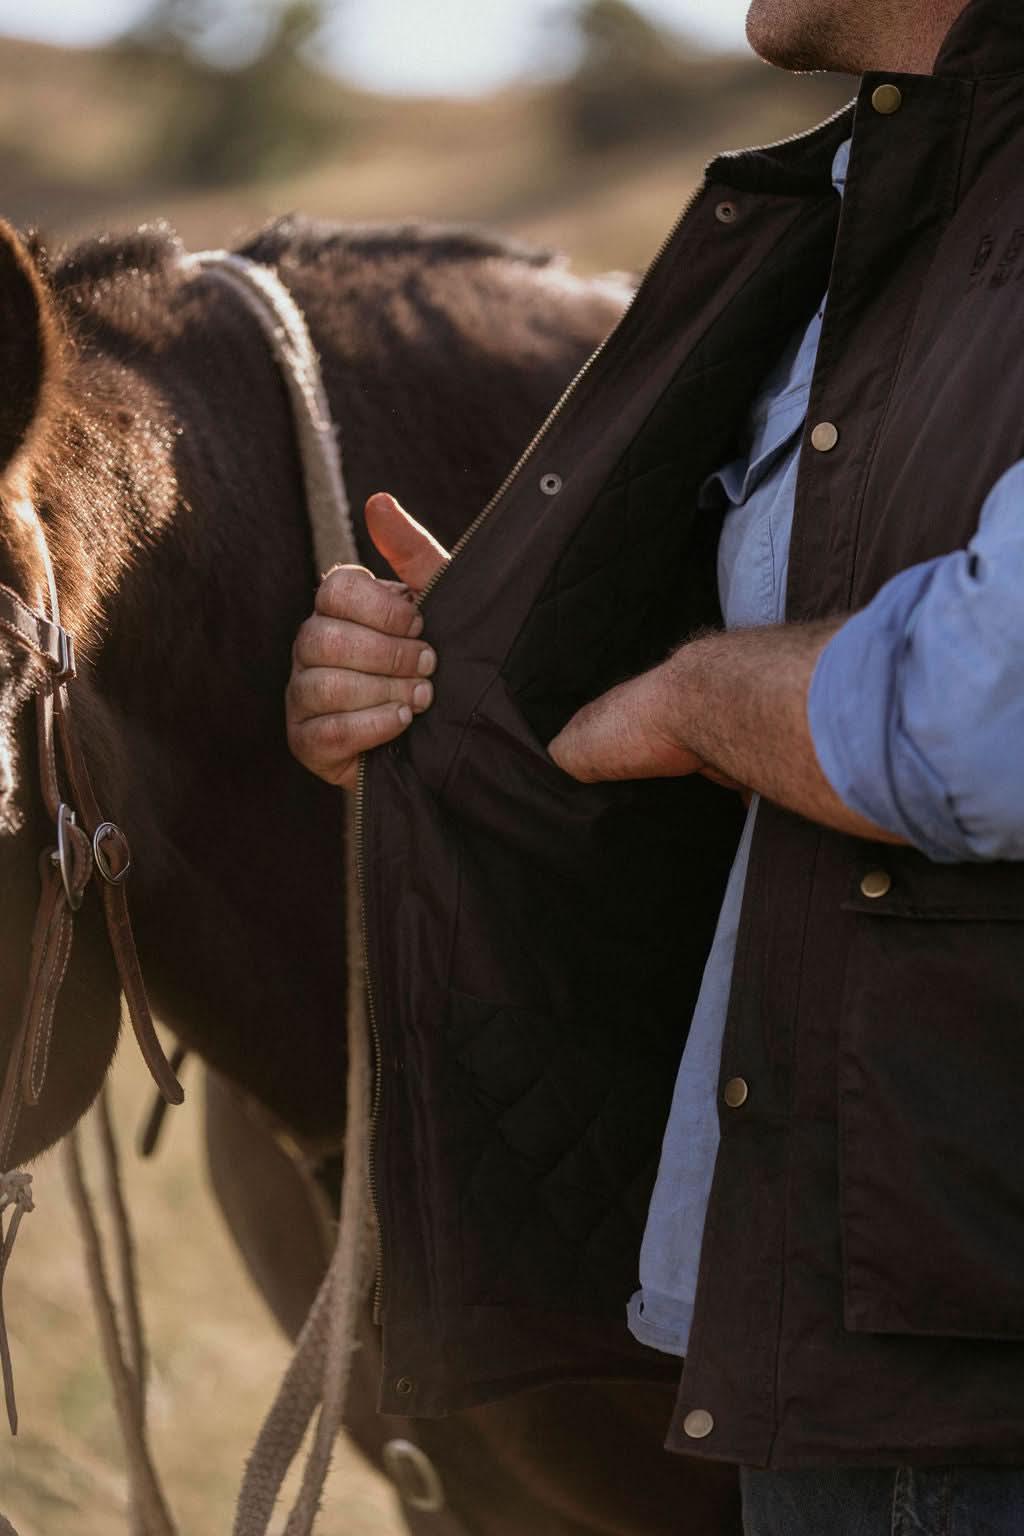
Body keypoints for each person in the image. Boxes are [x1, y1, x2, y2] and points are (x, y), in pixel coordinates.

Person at [286, 0, 1024, 1530]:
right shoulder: (866, 221)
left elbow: (990, 714)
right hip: (844, 1308)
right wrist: (467, 704)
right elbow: (796, 687)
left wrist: (695, 701)